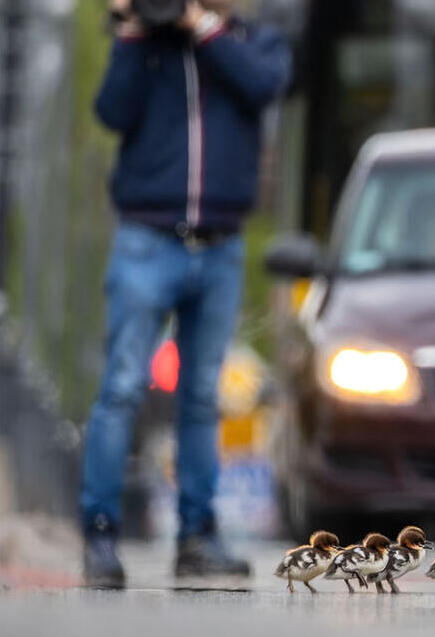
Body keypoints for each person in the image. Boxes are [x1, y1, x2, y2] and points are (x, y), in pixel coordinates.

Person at [81, 0, 291, 586]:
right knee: (122, 387)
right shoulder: (144, 44)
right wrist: (129, 29)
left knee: (202, 396)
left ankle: (197, 536)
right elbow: (111, 113)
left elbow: (263, 87)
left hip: (221, 244)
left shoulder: (254, 40)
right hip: (146, 240)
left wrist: (202, 28)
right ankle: (99, 537)